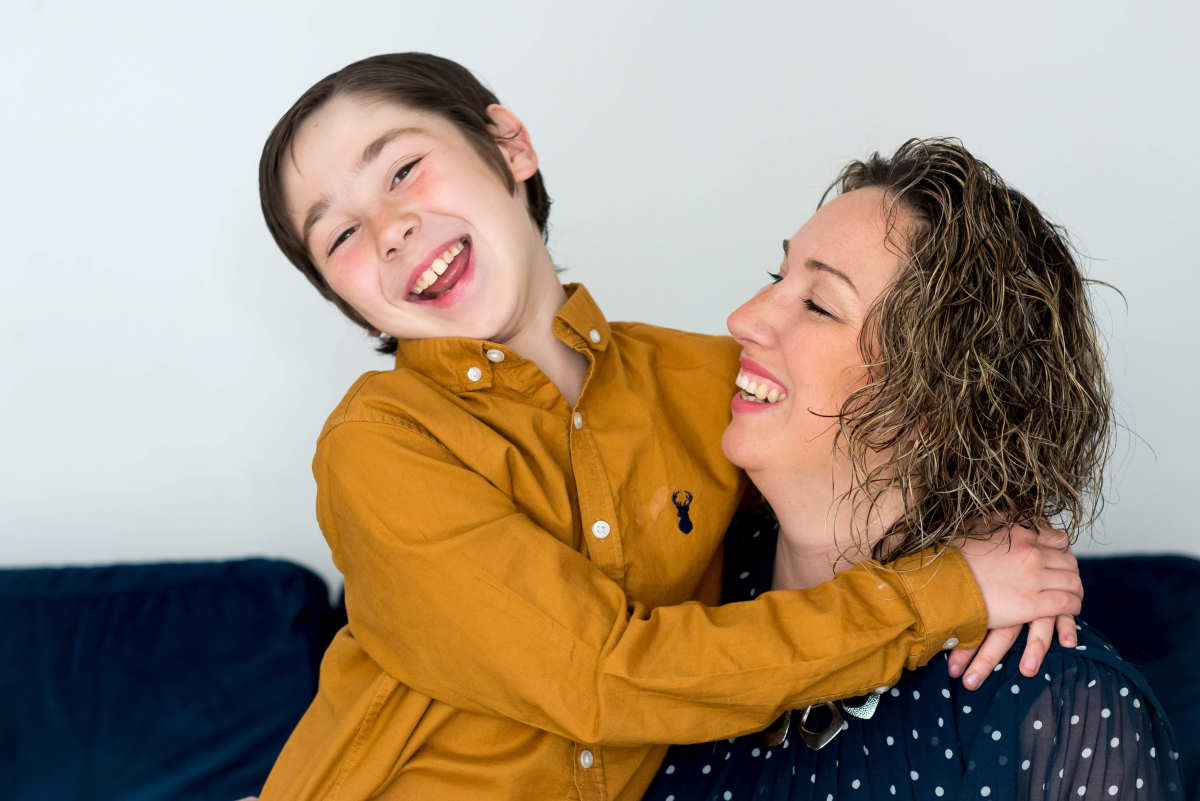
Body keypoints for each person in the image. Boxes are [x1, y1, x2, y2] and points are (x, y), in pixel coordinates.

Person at [254, 54, 1084, 801]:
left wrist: (1008, 529)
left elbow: (885, 439)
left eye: (402, 169)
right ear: (342, 296)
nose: (390, 230)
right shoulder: (379, 445)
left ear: (509, 145)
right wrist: (945, 592)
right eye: (340, 235)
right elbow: (604, 675)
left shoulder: (705, 383)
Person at [642, 139, 1184, 800]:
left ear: (935, 401)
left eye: (818, 304)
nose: (742, 318)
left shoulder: (1058, 709)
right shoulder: (670, 581)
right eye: (776, 276)